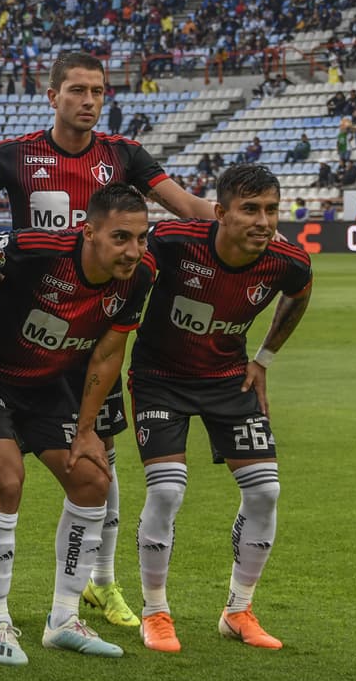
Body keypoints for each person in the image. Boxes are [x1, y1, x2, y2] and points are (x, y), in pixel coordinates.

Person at [0, 51, 216, 631]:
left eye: (97, 91)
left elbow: (187, 207)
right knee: (2, 469)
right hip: (27, 331)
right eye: (76, 90)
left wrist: (232, 218)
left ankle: (101, 583)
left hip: (95, 332)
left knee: (102, 461)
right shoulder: (12, 156)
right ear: (53, 96)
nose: (89, 100)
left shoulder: (123, 155)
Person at [0, 184, 155, 665]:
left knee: (92, 479)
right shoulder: (37, 250)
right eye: (121, 237)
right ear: (89, 231)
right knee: (6, 479)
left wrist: (86, 430)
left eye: (141, 238)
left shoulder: (138, 277)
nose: (134, 250)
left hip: (48, 383)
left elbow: (107, 352)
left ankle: (63, 619)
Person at [130, 164, 312, 653]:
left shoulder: (286, 260)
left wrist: (265, 360)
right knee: (167, 492)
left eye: (271, 210)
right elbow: (121, 269)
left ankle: (238, 610)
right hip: (160, 380)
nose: (263, 221)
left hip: (227, 378)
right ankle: (155, 613)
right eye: (250, 209)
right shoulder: (174, 241)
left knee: (266, 492)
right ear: (220, 213)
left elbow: (299, 294)